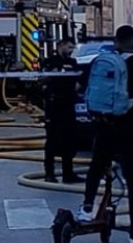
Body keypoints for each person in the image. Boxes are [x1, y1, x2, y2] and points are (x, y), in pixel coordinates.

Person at [78, 25, 133, 243]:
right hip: (132, 129)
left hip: (105, 125)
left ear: (116, 41)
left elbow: (86, 86)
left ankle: (87, 207)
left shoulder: (100, 61)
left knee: (96, 167)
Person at [42, 37, 80, 183]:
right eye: (69, 47)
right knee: (52, 141)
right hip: (53, 106)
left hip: (68, 105)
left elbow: (77, 81)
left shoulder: (73, 63)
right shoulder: (50, 62)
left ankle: (68, 174)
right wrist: (53, 73)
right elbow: (42, 80)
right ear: (61, 46)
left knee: (69, 141)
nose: (71, 51)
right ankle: (49, 174)